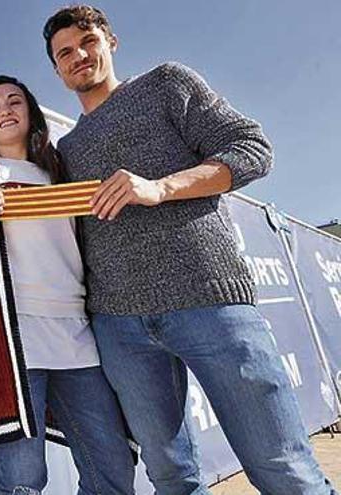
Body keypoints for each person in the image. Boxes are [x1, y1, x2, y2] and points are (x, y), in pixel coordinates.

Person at [42, 5, 336, 494]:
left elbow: (252, 147)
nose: (79, 56)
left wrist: (161, 186)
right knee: (172, 478)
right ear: (56, 68)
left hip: (210, 301)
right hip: (120, 327)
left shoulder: (165, 83)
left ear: (111, 42)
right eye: (64, 53)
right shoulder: (66, 150)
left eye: (88, 41)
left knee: (282, 467)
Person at [0, 75, 135, 495]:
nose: (4, 110)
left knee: (112, 466)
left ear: (31, 111)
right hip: (9, 343)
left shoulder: (62, 170)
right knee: (23, 479)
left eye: (14, 101)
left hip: (76, 336)